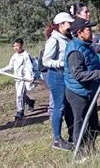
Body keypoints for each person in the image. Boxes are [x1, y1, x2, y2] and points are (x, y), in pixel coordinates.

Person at [65, 18, 100, 153]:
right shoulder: (75, 51)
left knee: (92, 122)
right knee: (80, 124)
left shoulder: (86, 45)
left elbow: (92, 63)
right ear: (79, 32)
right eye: (88, 30)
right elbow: (78, 75)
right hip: (78, 92)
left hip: (89, 90)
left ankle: (91, 149)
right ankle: (79, 153)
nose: (91, 32)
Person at [42, 12, 75, 151]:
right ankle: (56, 139)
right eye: (69, 23)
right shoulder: (53, 40)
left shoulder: (66, 38)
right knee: (59, 107)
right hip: (56, 76)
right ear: (61, 24)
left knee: (68, 107)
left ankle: (73, 135)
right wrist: (63, 63)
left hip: (66, 76)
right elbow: (46, 61)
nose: (71, 25)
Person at [0, 38, 35, 119]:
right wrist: (1, 70)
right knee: (21, 94)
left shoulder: (26, 55)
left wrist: (32, 76)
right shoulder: (14, 56)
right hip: (17, 78)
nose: (15, 47)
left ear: (21, 45)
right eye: (14, 46)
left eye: (17, 46)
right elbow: (10, 66)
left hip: (24, 78)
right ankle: (30, 102)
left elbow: (30, 66)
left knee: (19, 94)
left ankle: (20, 112)